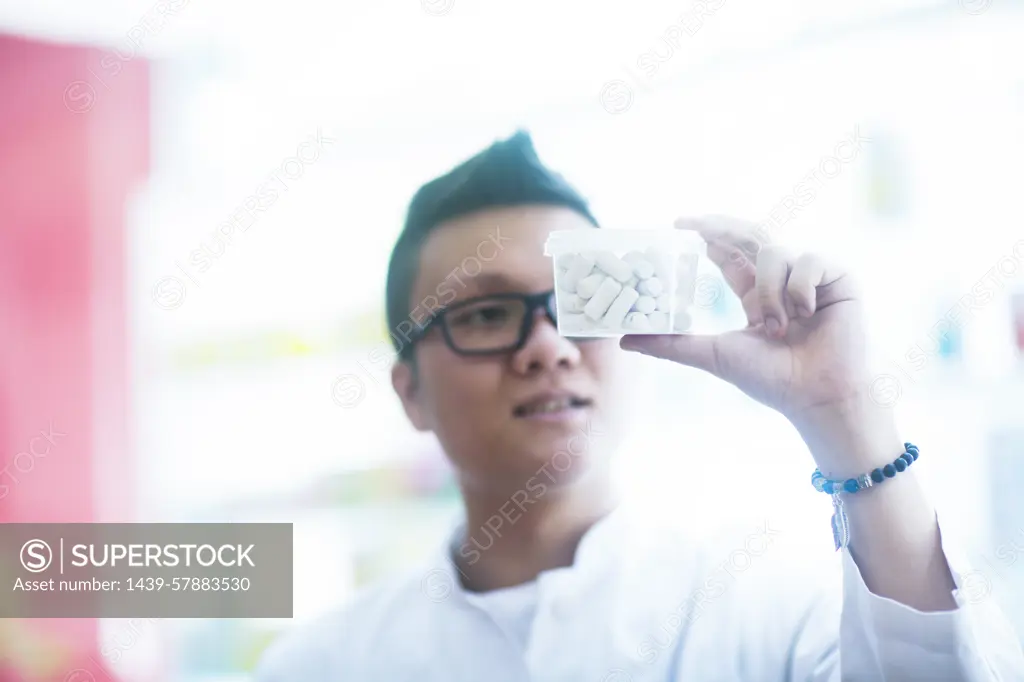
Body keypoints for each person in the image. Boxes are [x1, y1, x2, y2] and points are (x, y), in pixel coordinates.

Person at [255, 131, 1024, 681]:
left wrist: (847, 414)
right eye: (484, 316)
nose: (548, 347)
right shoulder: (321, 665)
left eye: (578, 301)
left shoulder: (770, 609)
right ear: (409, 392)